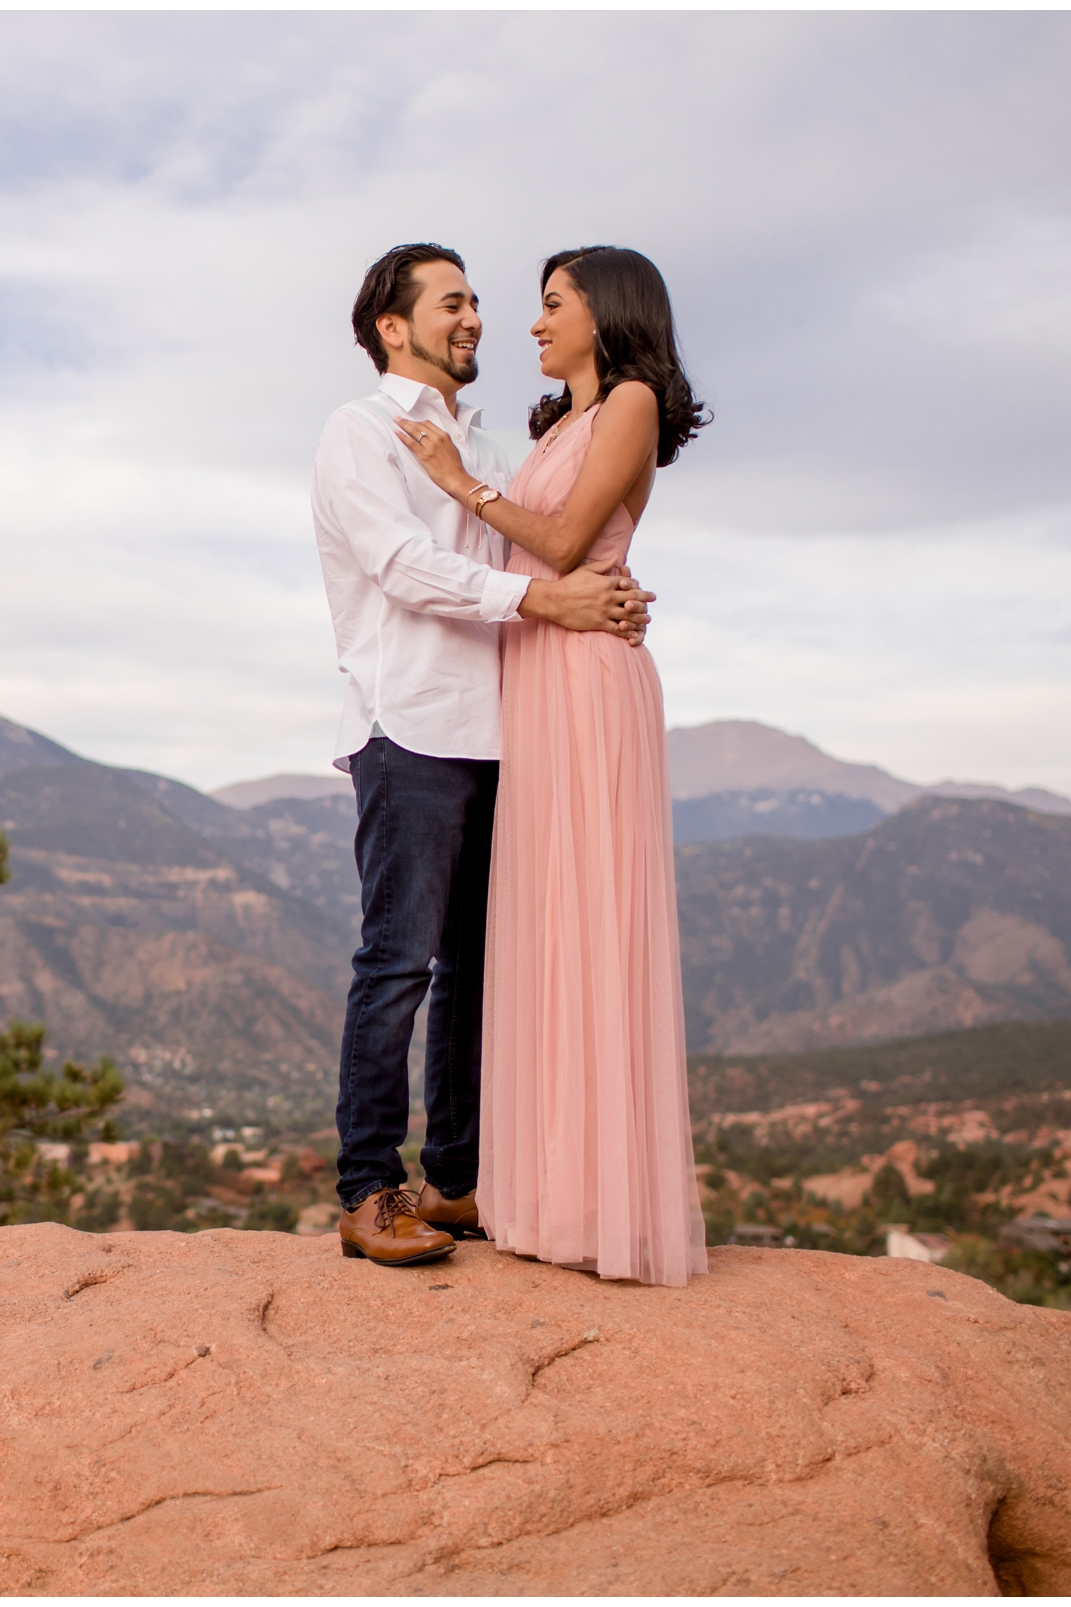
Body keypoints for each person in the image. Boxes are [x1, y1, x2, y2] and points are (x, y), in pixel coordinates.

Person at [313, 243, 656, 1267]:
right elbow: (405, 567)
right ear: (392, 325)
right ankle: (370, 1189)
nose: (474, 318)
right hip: (409, 724)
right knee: (396, 963)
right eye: (451, 302)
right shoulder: (357, 434)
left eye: (476, 303)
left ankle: (457, 1181)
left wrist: (609, 584)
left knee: (475, 969)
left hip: (511, 727)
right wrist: (547, 597)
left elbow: (547, 533)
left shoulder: (496, 445)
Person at [394, 245, 711, 1285]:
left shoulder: (628, 403)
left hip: (582, 679)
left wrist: (460, 484)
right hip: (533, 677)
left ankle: (606, 1201)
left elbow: (569, 541)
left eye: (551, 304)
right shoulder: (557, 423)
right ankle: (544, 1191)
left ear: (604, 312)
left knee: (590, 922)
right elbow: (533, 563)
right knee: (541, 927)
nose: (531, 323)